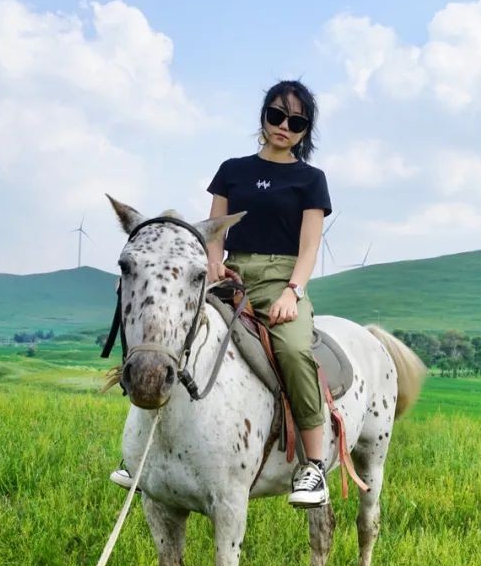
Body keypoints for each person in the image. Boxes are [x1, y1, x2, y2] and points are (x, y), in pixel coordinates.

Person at [111, 79, 333, 508]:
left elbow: (309, 247)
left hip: (282, 279)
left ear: (306, 130)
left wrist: (293, 291)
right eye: (276, 115)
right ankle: (142, 454)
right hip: (229, 273)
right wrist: (213, 262)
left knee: (293, 351)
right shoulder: (232, 170)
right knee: (171, 332)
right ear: (263, 116)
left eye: (296, 121)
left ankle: (314, 466)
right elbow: (213, 231)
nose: (284, 125)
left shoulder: (311, 180)